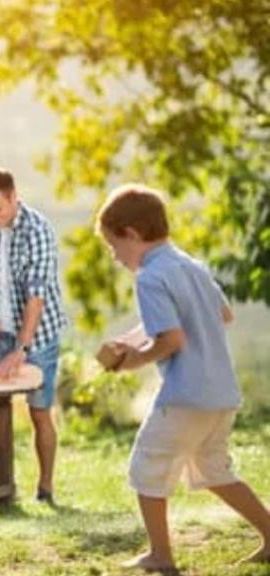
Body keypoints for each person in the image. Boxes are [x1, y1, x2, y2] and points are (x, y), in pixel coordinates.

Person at [95, 184, 270, 572]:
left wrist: (129, 361)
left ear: (133, 236)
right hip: (221, 393)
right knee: (214, 470)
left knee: (147, 467)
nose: (116, 257)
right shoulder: (190, 265)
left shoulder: (149, 278)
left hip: (186, 396)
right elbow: (222, 315)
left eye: (114, 246)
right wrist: (132, 338)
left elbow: (172, 339)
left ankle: (160, 556)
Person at [0, 167, 68, 504]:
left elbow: (37, 295)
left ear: (13, 197)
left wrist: (22, 348)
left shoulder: (38, 230)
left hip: (38, 333)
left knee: (39, 412)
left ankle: (46, 489)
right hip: (2, 331)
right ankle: (2, 487)